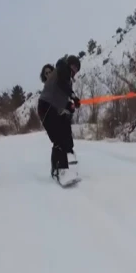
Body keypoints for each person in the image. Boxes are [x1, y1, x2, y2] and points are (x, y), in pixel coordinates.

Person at [38, 55, 82, 184]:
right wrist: (73, 96)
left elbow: (62, 96)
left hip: (52, 107)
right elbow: (63, 85)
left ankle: (57, 170)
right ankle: (61, 171)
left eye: (77, 69)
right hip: (46, 107)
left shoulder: (64, 77)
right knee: (59, 140)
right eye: (74, 66)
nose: (75, 70)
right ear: (69, 64)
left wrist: (71, 105)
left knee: (60, 140)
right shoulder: (62, 68)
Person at [40, 63, 77, 165]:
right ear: (44, 76)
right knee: (57, 141)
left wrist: (70, 106)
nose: (48, 74)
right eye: (46, 73)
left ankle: (68, 160)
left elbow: (65, 98)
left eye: (50, 72)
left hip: (61, 114)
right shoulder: (48, 89)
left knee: (66, 138)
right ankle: (57, 167)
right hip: (49, 115)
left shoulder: (60, 83)